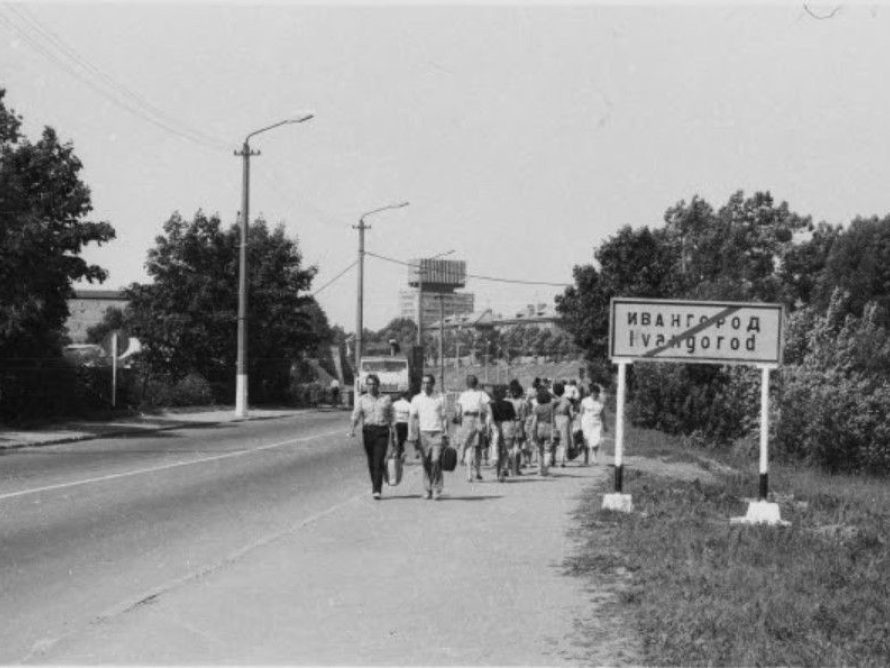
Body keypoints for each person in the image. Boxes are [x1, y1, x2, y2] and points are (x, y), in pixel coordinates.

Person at [349, 374, 393, 500]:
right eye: (369, 384)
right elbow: (356, 415)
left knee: (378, 460)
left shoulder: (386, 399)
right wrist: (352, 428)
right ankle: (376, 481)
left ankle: (376, 489)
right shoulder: (362, 399)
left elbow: (392, 416)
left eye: (374, 384)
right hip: (368, 431)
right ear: (366, 386)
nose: (371, 386)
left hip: (382, 431)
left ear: (378, 385)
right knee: (371, 461)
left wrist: (394, 433)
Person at [408, 374, 449, 500]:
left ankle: (436, 488)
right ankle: (427, 489)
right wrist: (412, 434)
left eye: (428, 383)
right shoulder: (417, 399)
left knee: (435, 461)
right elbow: (413, 418)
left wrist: (445, 433)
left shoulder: (440, 398)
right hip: (423, 434)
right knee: (425, 463)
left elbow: (444, 417)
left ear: (433, 384)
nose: (426, 385)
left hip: (437, 433)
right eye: (424, 383)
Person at [456, 374, 491, 482]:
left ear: (467, 384)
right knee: (478, 448)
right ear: (476, 383)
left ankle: (468, 474)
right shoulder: (482, 394)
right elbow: (489, 408)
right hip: (477, 419)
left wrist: (459, 422)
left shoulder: (463, 395)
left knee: (468, 447)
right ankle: (478, 472)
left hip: (466, 420)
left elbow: (458, 411)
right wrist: (487, 423)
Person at [489, 385, 518, 482]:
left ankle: (498, 471)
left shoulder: (491, 405)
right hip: (507, 427)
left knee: (496, 449)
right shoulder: (509, 404)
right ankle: (503, 469)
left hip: (496, 428)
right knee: (505, 450)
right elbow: (513, 418)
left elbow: (490, 419)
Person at [529, 386, 555, 476]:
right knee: (548, 450)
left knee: (540, 450)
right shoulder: (551, 406)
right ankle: (546, 469)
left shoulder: (537, 408)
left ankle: (540, 469)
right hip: (549, 427)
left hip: (539, 428)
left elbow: (534, 421)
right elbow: (552, 418)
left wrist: (532, 431)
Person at [580, 384, 608, 465]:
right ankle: (586, 458)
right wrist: (579, 424)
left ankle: (594, 457)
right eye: (593, 393)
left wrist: (605, 424)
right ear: (590, 392)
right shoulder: (584, 401)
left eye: (596, 393)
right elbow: (581, 413)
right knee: (586, 441)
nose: (595, 394)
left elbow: (603, 415)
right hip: (586, 423)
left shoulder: (600, 403)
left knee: (596, 441)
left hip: (596, 424)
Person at [507, 379, 529, 473]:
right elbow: (524, 418)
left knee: (509, 447)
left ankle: (508, 466)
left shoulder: (507, 402)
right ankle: (517, 468)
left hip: (509, 424)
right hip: (519, 424)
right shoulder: (523, 403)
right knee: (518, 446)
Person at [552, 382, 574, 468]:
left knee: (554, 439)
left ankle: (552, 459)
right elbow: (571, 414)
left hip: (554, 420)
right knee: (563, 440)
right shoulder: (567, 401)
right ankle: (562, 460)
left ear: (554, 391)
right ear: (563, 391)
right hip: (565, 420)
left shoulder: (553, 401)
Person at [392, 391, 413, 459]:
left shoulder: (395, 404)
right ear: (406, 396)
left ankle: (398, 452)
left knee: (396, 439)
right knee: (402, 440)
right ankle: (400, 452)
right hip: (405, 423)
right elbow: (411, 416)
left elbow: (391, 413)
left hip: (396, 423)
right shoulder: (409, 404)